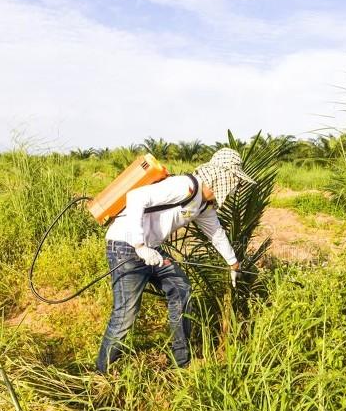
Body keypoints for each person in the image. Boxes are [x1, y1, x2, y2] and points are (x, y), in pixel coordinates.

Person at [96, 147, 256, 373]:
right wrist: (139, 245)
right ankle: (101, 372)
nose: (234, 188)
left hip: (152, 251)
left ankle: (180, 363)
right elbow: (136, 196)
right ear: (222, 176)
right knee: (126, 314)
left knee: (181, 288)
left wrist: (233, 264)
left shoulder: (203, 205)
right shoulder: (185, 186)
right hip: (125, 246)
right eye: (234, 181)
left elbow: (216, 234)